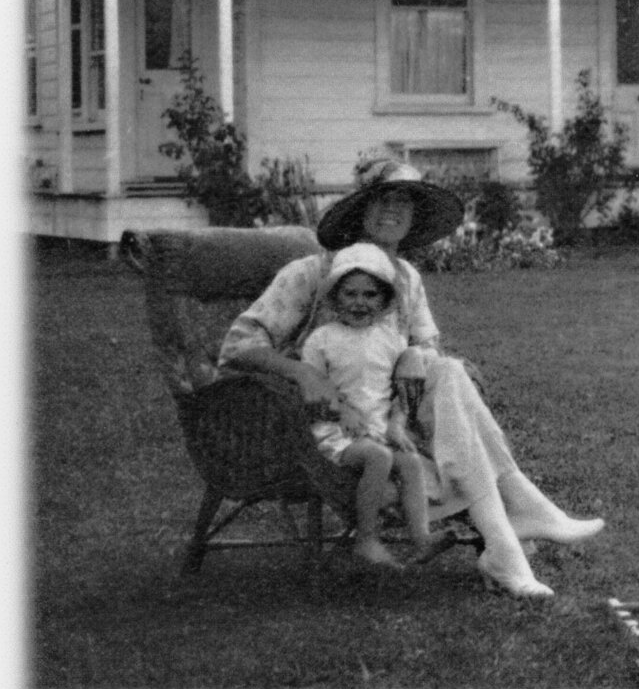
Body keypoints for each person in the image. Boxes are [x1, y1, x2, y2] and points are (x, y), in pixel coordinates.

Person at [220, 157, 604, 598]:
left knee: (448, 370)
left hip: (398, 418)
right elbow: (237, 347)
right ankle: (516, 522)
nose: (394, 210)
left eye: (407, 202)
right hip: (323, 416)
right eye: (384, 199)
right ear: (358, 210)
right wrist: (303, 372)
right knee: (453, 386)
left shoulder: (406, 278)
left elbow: (427, 347)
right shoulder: (312, 273)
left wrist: (412, 357)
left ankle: (506, 544)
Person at [299, 242, 436, 569]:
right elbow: (312, 389)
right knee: (379, 456)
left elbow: (403, 389)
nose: (359, 302)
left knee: (411, 462)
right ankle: (367, 539)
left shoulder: (392, 340)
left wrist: (397, 423)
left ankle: (422, 539)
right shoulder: (322, 340)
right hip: (335, 432)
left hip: (377, 429)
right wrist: (340, 411)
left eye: (370, 295)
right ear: (335, 298)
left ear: (386, 300)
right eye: (350, 294)